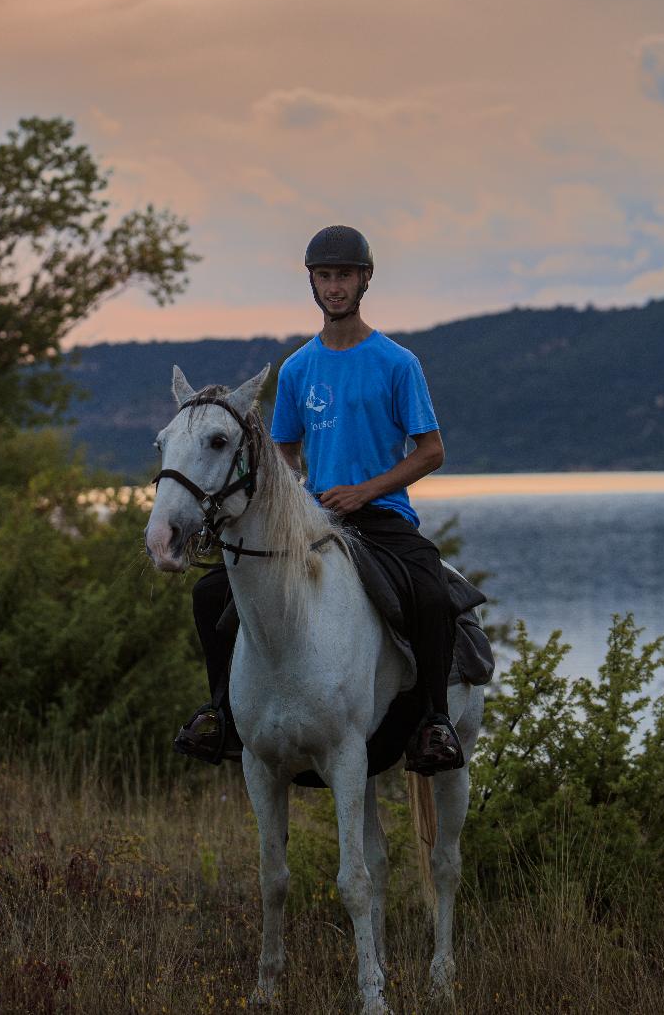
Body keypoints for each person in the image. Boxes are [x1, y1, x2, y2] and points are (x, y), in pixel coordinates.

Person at [174, 225, 464, 775]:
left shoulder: (398, 363)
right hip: (314, 520)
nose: (335, 287)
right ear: (312, 283)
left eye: (345, 276)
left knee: (430, 590)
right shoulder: (300, 368)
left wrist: (366, 491)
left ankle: (435, 722)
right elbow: (282, 453)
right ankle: (222, 717)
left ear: (365, 280)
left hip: (382, 517)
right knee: (212, 593)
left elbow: (431, 452)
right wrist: (295, 503)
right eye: (325, 276)